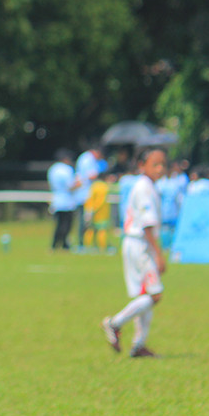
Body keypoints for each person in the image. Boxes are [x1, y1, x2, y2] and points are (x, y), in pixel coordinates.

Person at [101, 147, 167, 358]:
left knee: (144, 296)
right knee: (154, 295)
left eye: (163, 164)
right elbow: (148, 225)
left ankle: (139, 345)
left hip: (134, 242)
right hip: (140, 244)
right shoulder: (144, 188)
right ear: (142, 166)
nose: (160, 169)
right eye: (155, 164)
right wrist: (158, 253)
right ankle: (114, 323)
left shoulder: (146, 186)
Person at [74, 145, 104, 248]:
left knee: (84, 219)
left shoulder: (83, 158)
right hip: (86, 195)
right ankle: (83, 242)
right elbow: (92, 175)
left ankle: (84, 242)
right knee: (87, 220)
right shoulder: (89, 159)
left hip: (83, 193)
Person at [47, 148, 78, 251]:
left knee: (58, 224)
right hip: (67, 201)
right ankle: (64, 244)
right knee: (66, 225)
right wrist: (79, 183)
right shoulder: (66, 169)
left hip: (56, 199)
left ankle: (55, 244)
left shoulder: (53, 169)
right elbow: (70, 185)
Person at [83, 170, 114, 254]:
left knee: (90, 229)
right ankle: (102, 248)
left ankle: (87, 246)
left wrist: (89, 209)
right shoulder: (104, 186)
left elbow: (89, 198)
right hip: (101, 213)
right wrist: (95, 209)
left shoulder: (93, 185)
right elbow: (101, 201)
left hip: (90, 210)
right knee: (102, 230)